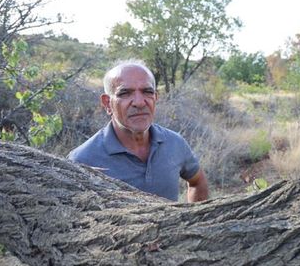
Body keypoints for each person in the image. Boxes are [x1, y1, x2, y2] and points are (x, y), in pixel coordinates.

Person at [68, 59, 209, 202]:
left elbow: (197, 182)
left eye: (147, 92)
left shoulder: (175, 143)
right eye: (125, 93)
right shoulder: (82, 160)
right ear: (107, 103)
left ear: (155, 97)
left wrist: (195, 219)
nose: (139, 102)